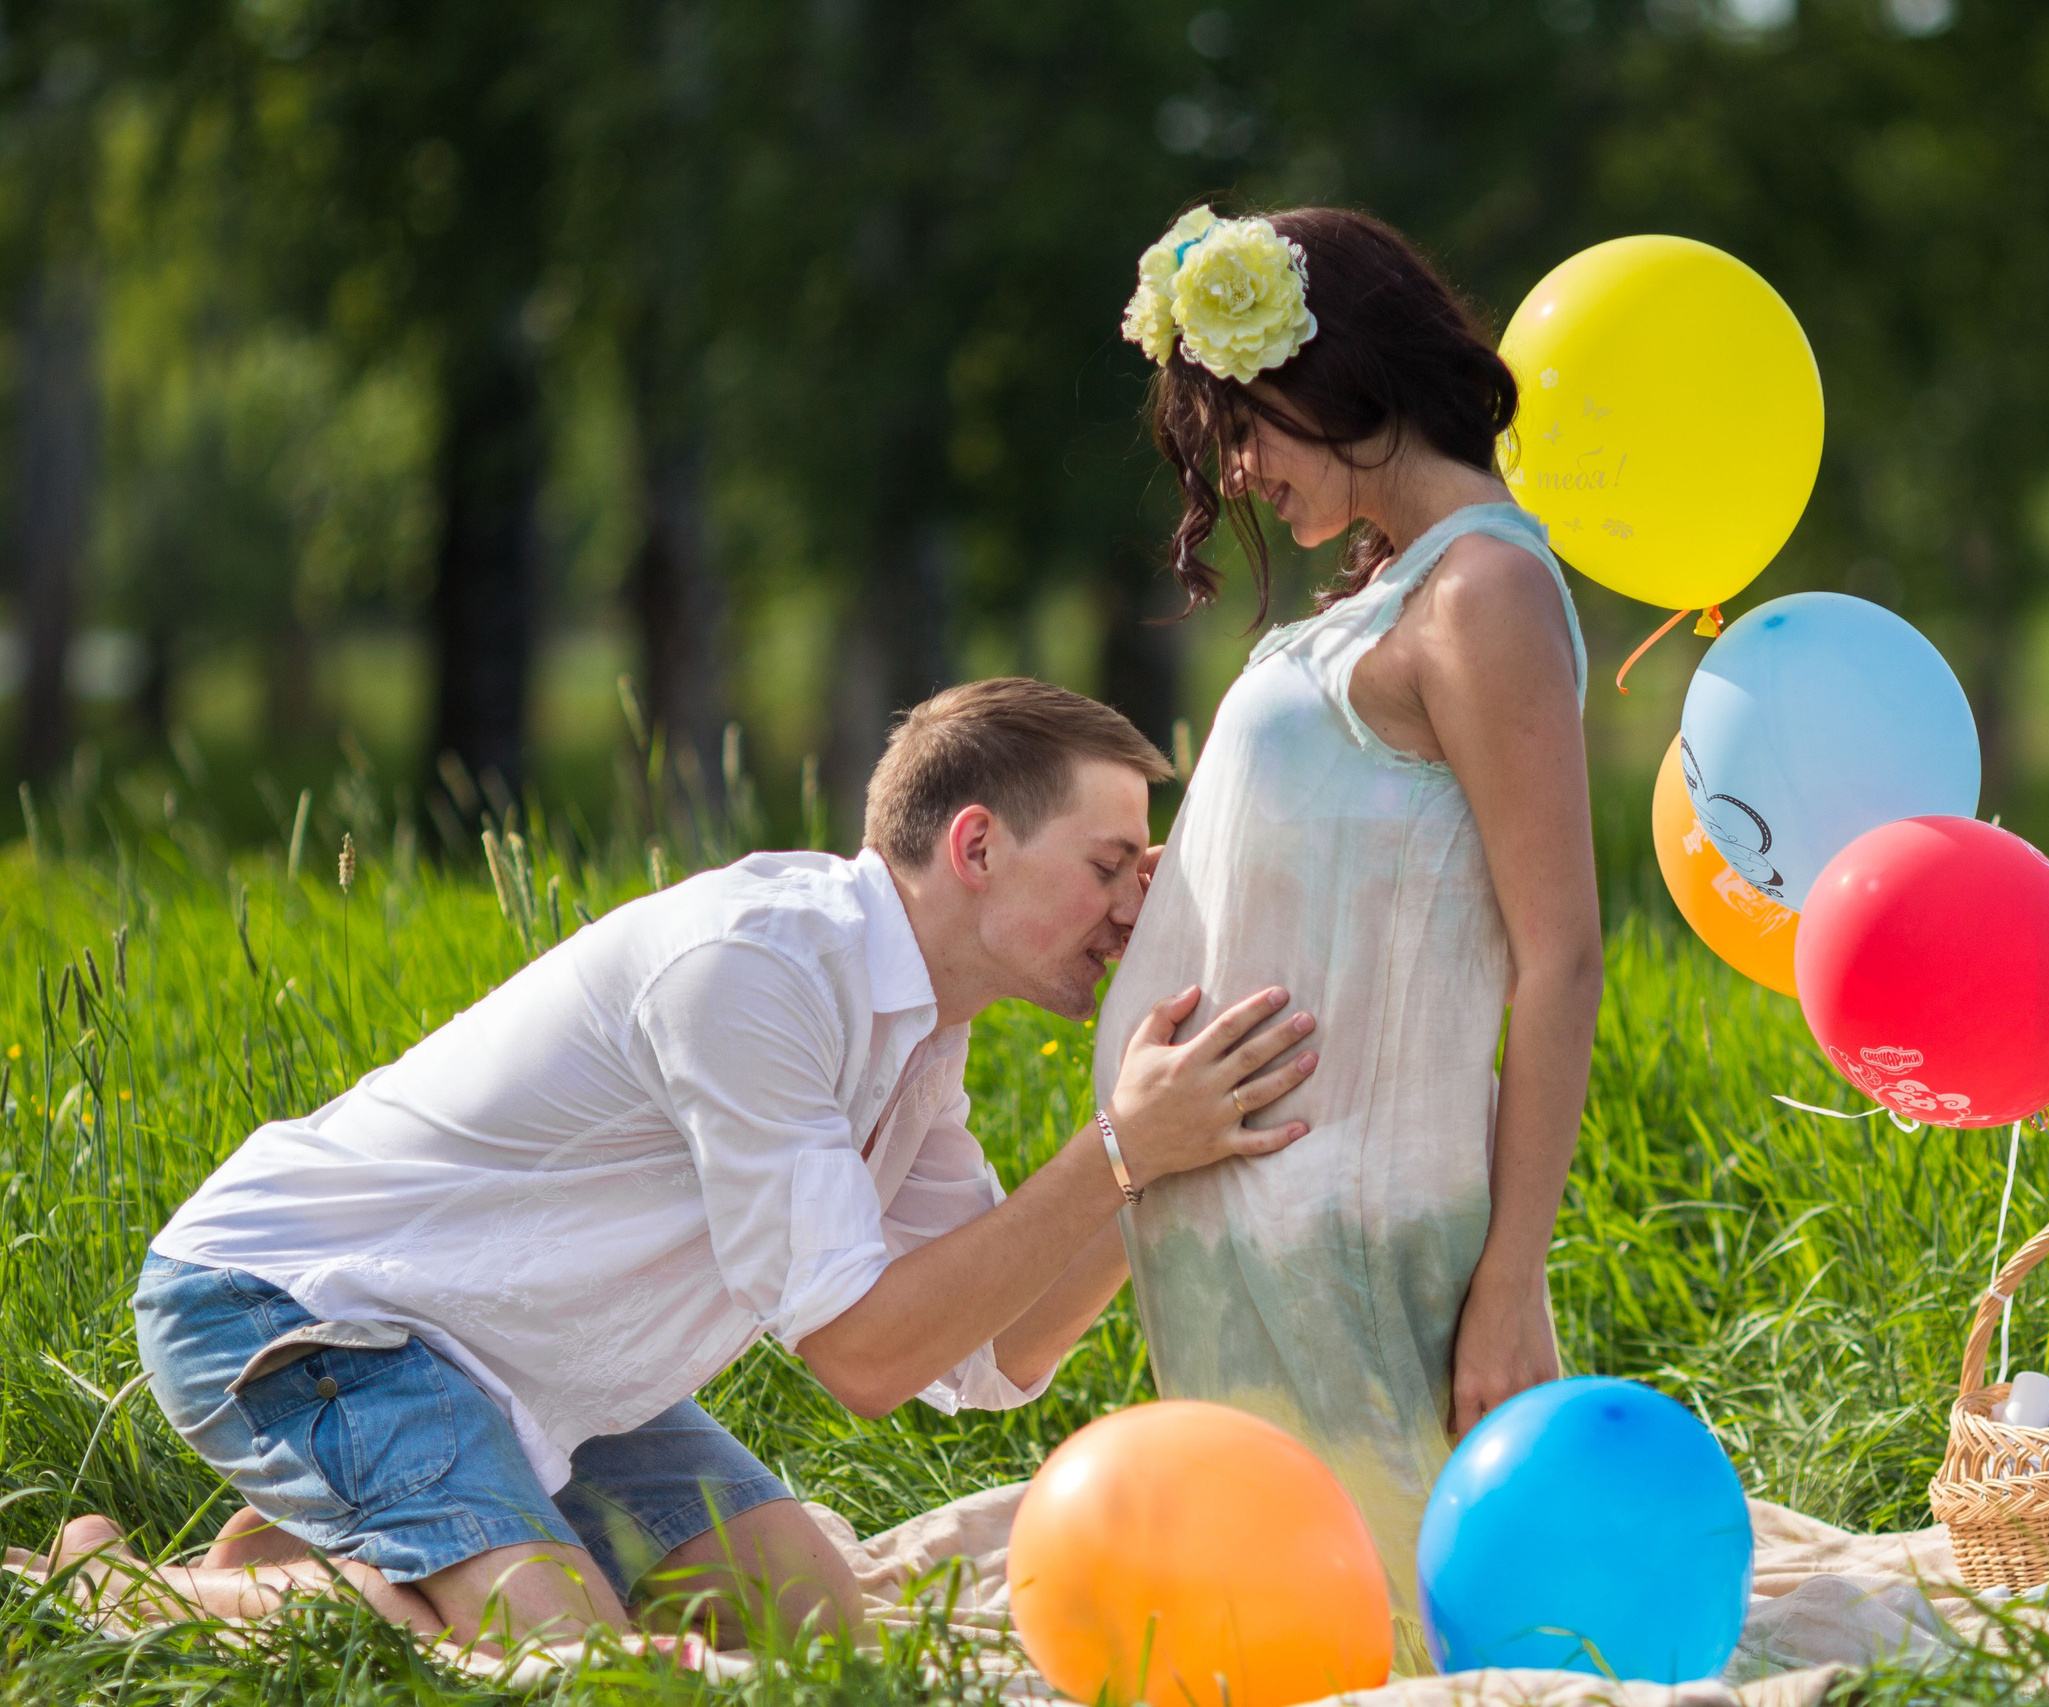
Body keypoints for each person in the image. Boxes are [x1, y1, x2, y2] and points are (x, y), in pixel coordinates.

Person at [46, 679, 1323, 1652]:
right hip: (312, 1309)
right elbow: (865, 1358)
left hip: (539, 1366)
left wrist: (1146, 1147)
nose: (1127, 905)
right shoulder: (755, 971)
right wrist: (1115, 1149)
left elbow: (1000, 1355)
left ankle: (322, 1547)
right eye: (1109, 866)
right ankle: (122, 1590)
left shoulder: (923, 1035)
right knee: (575, 1653)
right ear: (977, 847)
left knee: (819, 1631)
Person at [1097, 206, 1604, 1666]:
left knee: (1406, 1639)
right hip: (1242, 1229)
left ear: (1336, 373)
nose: (1240, 473)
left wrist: (1509, 1279)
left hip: (1358, 1237)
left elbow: (1559, 951)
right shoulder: (1390, 583)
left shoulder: (1483, 587)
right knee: (1267, 1643)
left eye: (1246, 428)